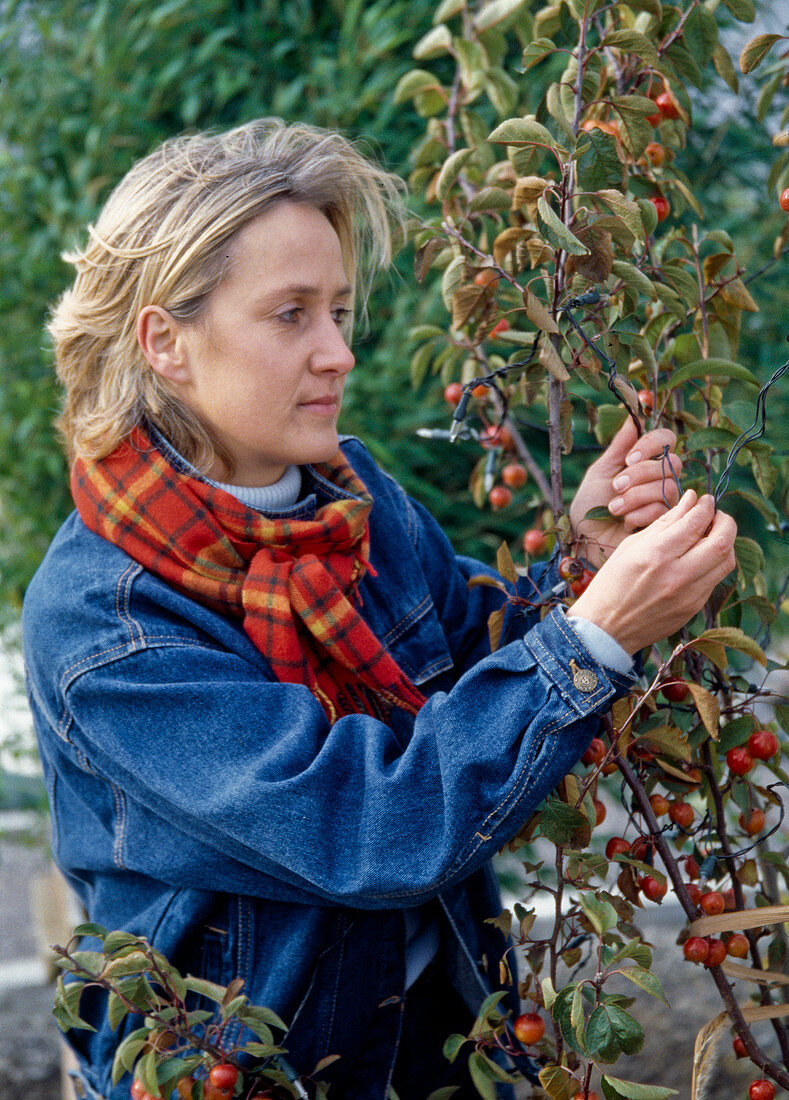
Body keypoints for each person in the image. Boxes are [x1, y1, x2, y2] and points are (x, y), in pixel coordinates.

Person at [22, 119, 737, 1100]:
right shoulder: (108, 623)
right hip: (256, 1076)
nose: (338, 354)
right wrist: (594, 637)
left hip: (437, 1041)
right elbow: (369, 822)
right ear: (165, 340)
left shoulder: (351, 495)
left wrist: (584, 559)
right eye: (290, 315)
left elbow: (469, 672)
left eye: (340, 311)